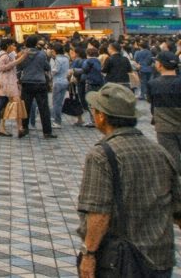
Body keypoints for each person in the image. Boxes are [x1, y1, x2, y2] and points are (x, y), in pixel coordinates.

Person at [76, 83, 181, 278]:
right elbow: (178, 208)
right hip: (160, 257)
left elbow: (99, 214)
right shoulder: (160, 152)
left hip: (122, 261)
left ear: (101, 117)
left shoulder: (102, 155)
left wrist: (89, 253)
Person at [18, 35, 55, 139]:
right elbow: (47, 67)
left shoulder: (23, 54)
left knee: (25, 107)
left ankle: (24, 128)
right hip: (40, 83)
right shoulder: (42, 54)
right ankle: (47, 132)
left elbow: (19, 66)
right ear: (36, 43)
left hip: (26, 82)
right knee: (44, 108)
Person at [148, 50, 181, 169]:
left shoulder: (153, 84)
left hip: (164, 127)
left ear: (160, 65)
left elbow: (151, 104)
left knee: (171, 159)